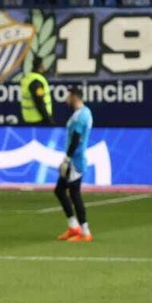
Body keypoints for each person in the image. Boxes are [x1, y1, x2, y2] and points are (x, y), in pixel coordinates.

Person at [55, 89, 94, 242]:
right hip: (73, 159)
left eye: (68, 96)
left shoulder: (80, 116)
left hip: (75, 161)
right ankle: (73, 226)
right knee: (59, 190)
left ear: (74, 97)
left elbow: (76, 139)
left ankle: (85, 231)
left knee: (75, 194)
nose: (66, 99)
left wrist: (67, 159)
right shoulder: (84, 112)